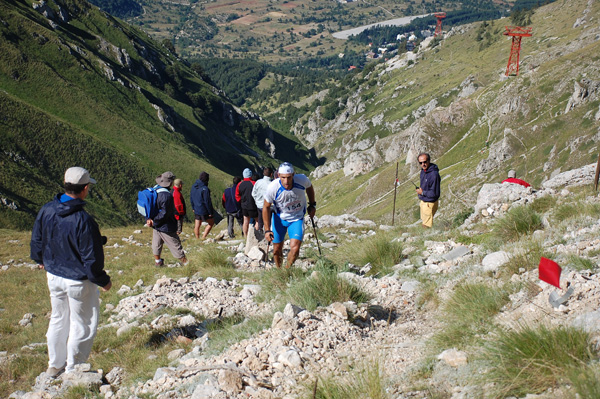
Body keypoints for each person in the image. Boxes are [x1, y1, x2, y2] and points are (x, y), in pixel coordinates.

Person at [30, 167, 112, 378]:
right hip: (78, 280)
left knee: (58, 318)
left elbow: (37, 238)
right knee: (82, 323)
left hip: (54, 275)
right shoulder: (83, 220)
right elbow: (91, 257)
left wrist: (40, 259)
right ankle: (74, 367)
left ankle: (54, 365)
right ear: (84, 189)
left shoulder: (47, 209)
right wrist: (102, 280)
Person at [263, 162, 316, 268]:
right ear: (278, 176)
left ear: (293, 175)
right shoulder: (273, 187)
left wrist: (312, 204)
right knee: (277, 249)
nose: (286, 181)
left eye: (289, 177)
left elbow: (309, 187)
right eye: (283, 177)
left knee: (295, 247)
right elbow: (266, 207)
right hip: (279, 219)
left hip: (297, 218)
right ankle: (279, 270)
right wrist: (267, 229)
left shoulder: (302, 180)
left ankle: (287, 270)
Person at [147, 172, 188, 266]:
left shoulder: (155, 190)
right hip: (166, 225)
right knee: (175, 244)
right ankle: (186, 264)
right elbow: (165, 213)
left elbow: (149, 206)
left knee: (156, 244)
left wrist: (150, 219)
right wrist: (156, 221)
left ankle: (158, 262)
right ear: (170, 183)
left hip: (156, 225)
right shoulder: (167, 195)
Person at [416, 153, 441, 228]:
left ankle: (426, 237)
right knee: (424, 221)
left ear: (429, 161)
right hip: (424, 200)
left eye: (425, 162)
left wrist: (422, 192)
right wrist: (421, 190)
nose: (423, 164)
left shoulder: (434, 174)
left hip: (429, 202)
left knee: (426, 225)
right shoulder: (423, 171)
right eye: (420, 163)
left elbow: (434, 193)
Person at [190, 171, 215, 240]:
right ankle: (203, 237)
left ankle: (197, 238)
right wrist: (210, 212)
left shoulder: (194, 186)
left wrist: (193, 207)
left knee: (197, 224)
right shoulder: (205, 189)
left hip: (196, 208)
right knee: (211, 222)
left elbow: (191, 197)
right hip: (203, 210)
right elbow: (207, 202)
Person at [236, 168, 258, 237]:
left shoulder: (239, 184)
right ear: (250, 175)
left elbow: (237, 196)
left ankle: (245, 236)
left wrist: (241, 201)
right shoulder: (254, 183)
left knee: (245, 221)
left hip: (244, 205)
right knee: (257, 220)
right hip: (253, 205)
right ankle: (256, 235)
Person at [252, 167, 274, 232]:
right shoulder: (272, 184)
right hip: (268, 206)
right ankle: (269, 233)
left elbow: (253, 193)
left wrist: (257, 201)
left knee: (260, 220)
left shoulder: (258, 182)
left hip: (259, 205)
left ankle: (260, 233)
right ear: (271, 174)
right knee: (268, 221)